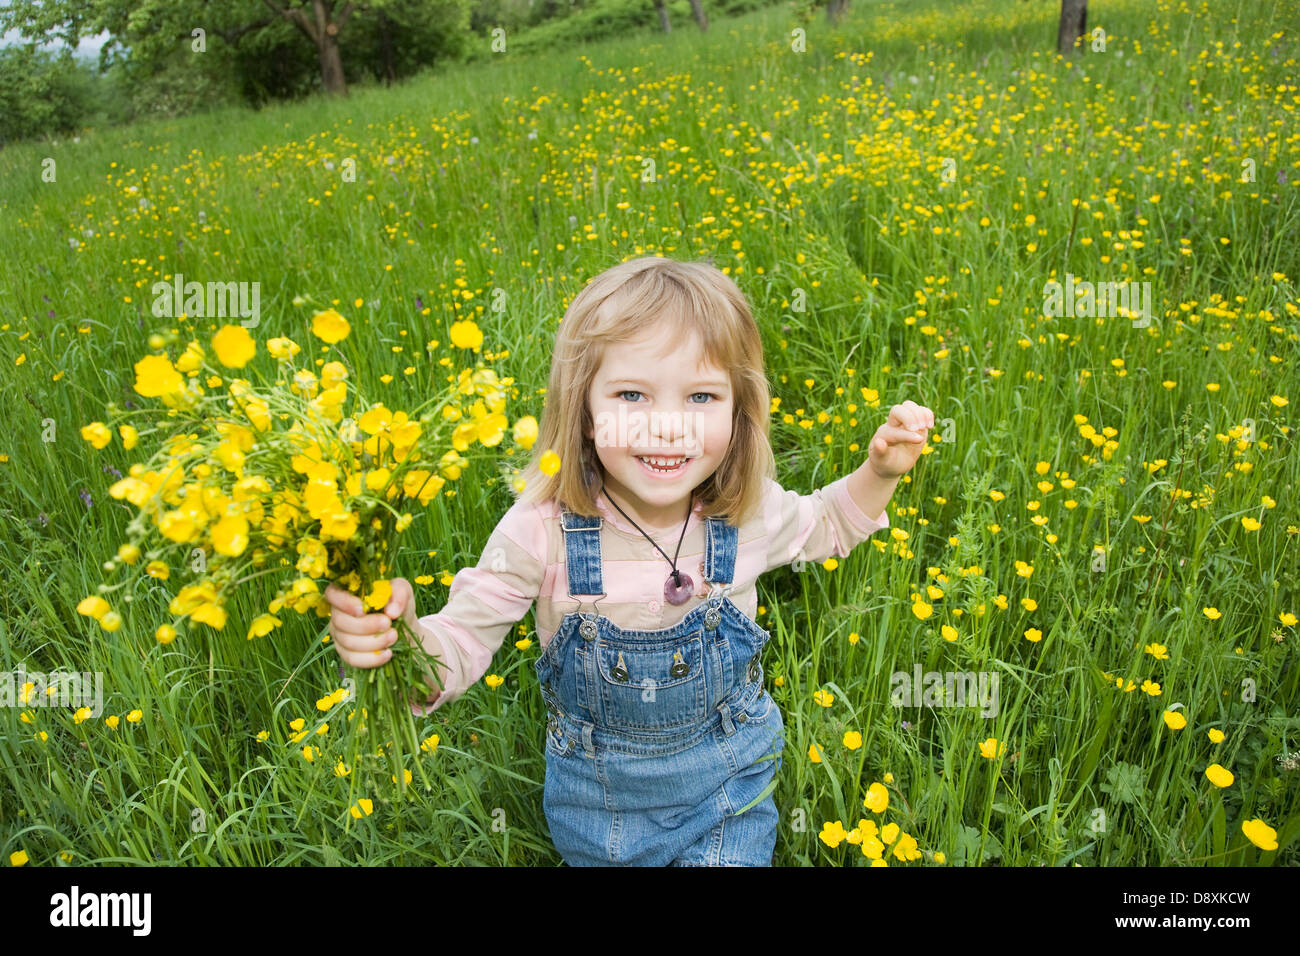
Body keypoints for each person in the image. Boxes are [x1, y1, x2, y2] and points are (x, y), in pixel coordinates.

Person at [325, 255, 933, 865]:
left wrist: (878, 472)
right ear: (583, 411)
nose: (667, 426)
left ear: (737, 411)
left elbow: (827, 525)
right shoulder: (541, 531)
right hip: (602, 814)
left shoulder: (746, 512)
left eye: (700, 395)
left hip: (731, 789)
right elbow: (459, 641)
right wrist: (392, 639)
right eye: (632, 394)